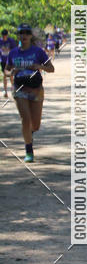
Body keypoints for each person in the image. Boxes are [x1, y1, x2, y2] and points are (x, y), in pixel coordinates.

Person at [6, 24, 54, 162]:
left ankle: (29, 134)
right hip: (19, 89)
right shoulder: (13, 53)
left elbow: (51, 68)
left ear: (30, 35)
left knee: (36, 125)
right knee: (25, 119)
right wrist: (11, 72)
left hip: (36, 89)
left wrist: (39, 66)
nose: (24, 35)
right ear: (18, 35)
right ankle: (29, 150)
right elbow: (7, 70)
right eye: (21, 33)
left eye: (27, 33)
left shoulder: (38, 52)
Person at [1, 29, 17, 98]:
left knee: (11, 76)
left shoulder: (11, 41)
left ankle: (13, 89)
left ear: (7, 35)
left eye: (5, 36)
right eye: (3, 36)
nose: (4, 37)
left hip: (10, 61)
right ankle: (5, 91)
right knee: (4, 75)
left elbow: (15, 50)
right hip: (3, 61)